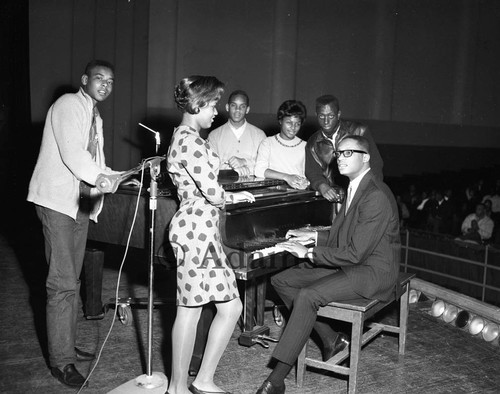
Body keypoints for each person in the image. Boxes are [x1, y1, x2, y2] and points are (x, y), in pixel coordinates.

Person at [255, 135, 400, 394]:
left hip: (372, 272)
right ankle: (332, 339)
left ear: (365, 157)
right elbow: (345, 234)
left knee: (309, 295)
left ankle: (276, 380)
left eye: (348, 153)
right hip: (355, 263)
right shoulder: (357, 186)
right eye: (338, 153)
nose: (339, 159)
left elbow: (355, 252)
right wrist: (313, 236)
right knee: (281, 280)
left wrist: (309, 253)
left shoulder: (375, 195)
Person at [27, 60, 122, 387]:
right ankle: (61, 361)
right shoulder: (69, 104)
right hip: (56, 202)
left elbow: (95, 160)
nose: (106, 85)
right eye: (99, 78)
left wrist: (114, 175)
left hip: (79, 203)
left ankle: (65, 345)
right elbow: (72, 154)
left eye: (111, 81)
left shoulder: (95, 115)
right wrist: (99, 176)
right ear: (84, 80)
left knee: (72, 280)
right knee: (63, 283)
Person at [166, 75, 255, 394]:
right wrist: (237, 196)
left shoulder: (185, 137)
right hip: (197, 228)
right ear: (197, 104)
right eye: (214, 104)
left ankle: (201, 380)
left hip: (200, 227)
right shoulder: (190, 139)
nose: (217, 110)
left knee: (224, 307)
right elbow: (214, 193)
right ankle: (178, 387)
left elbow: (206, 177)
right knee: (193, 309)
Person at [305, 94, 384, 202]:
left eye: (331, 116)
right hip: (332, 199)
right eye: (321, 116)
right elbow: (312, 172)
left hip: (362, 193)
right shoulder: (312, 143)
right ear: (316, 115)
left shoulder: (359, 131)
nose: (326, 121)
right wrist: (322, 186)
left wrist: (371, 192)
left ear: (338, 114)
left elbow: (375, 163)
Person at [207, 90, 266, 176]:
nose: (237, 109)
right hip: (223, 186)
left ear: (247, 109)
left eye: (242, 106)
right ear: (227, 107)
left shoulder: (259, 135)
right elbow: (210, 167)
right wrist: (233, 170)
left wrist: (245, 162)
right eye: (233, 105)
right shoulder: (214, 136)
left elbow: (265, 165)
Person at [254, 100, 309, 189]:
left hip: (297, 194)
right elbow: (259, 170)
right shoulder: (268, 143)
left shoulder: (305, 146)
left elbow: (308, 175)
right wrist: (287, 177)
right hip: (272, 194)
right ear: (280, 121)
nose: (293, 127)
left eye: (297, 124)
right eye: (289, 123)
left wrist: (305, 182)